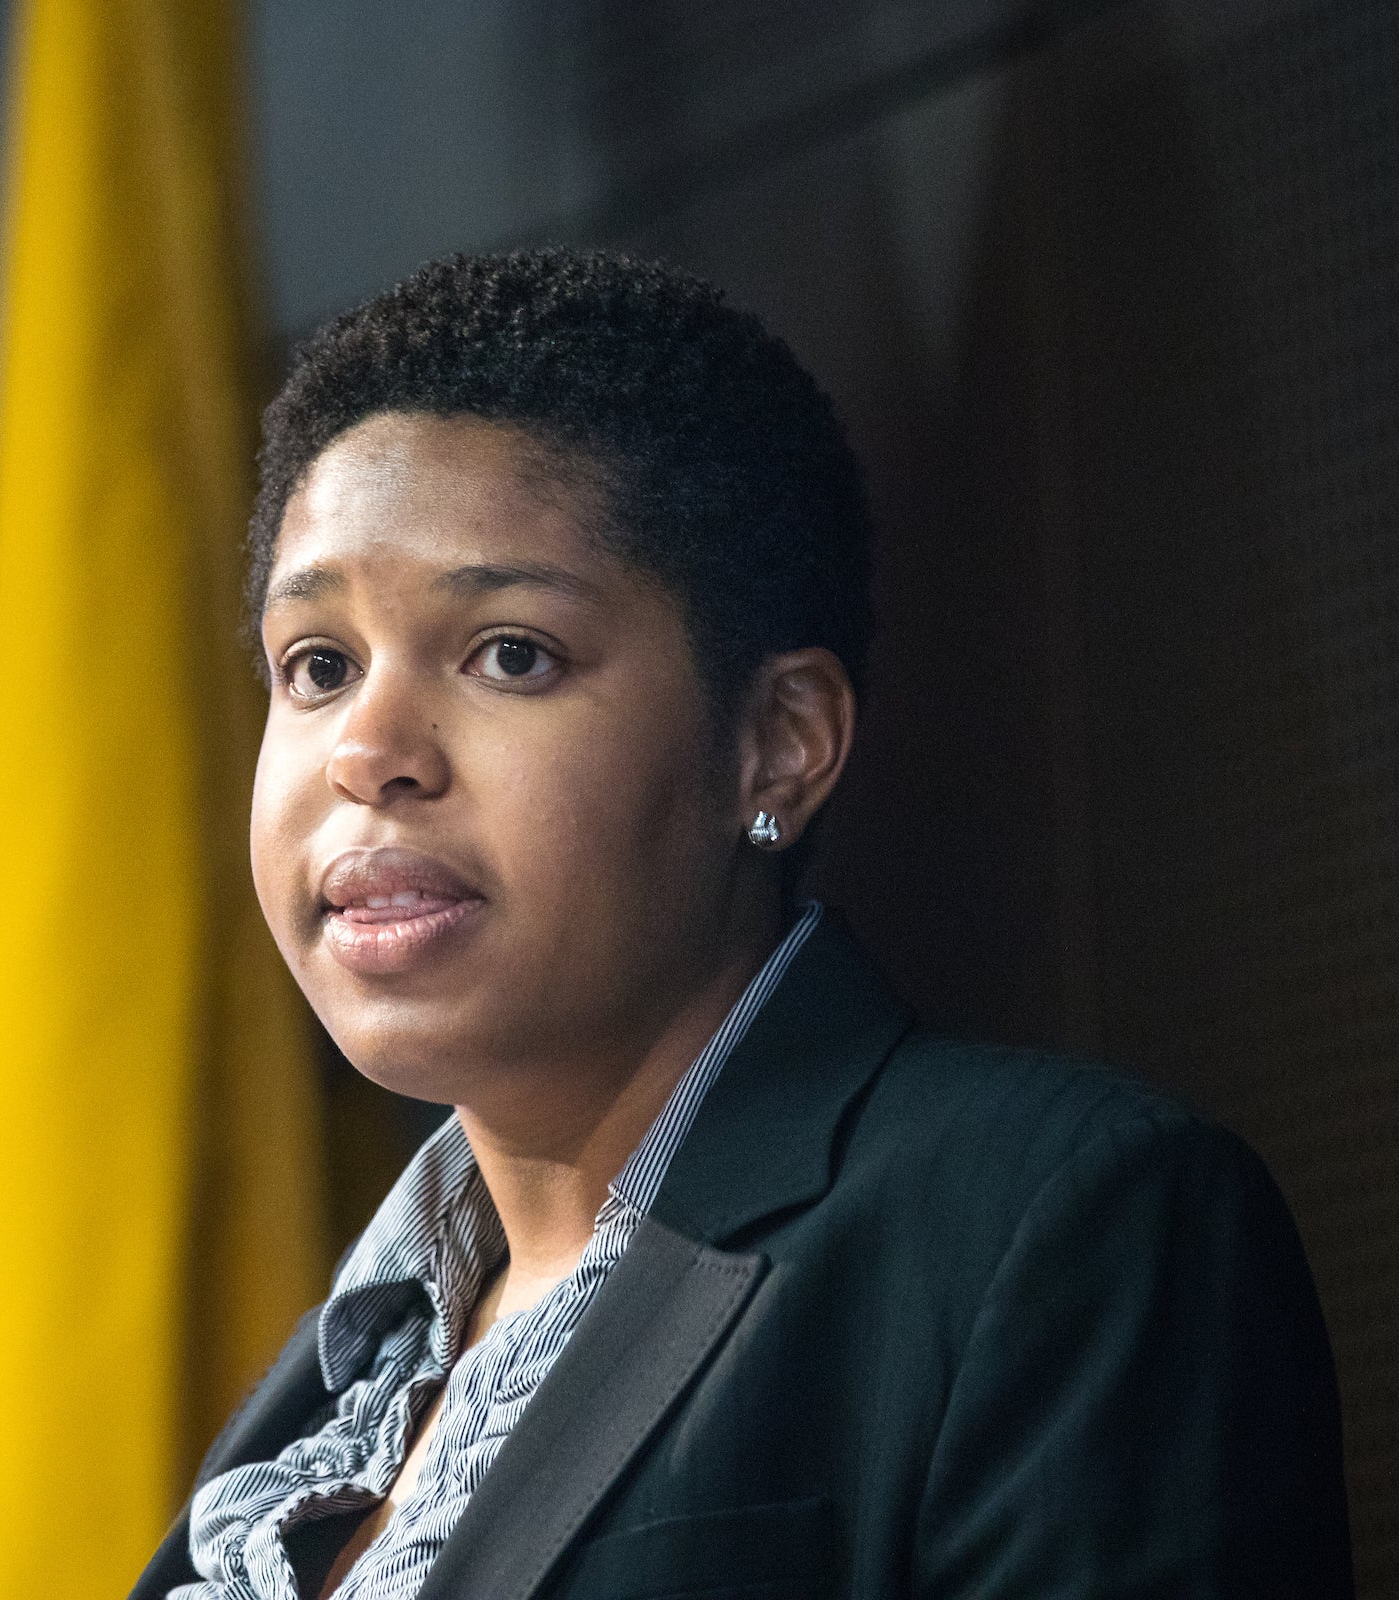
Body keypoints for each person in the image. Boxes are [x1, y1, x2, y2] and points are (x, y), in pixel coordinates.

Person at [129, 249, 1352, 1600]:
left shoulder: (1062, 1227)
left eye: (510, 653)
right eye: (319, 665)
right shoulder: (319, 1394)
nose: (370, 749)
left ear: (777, 745)